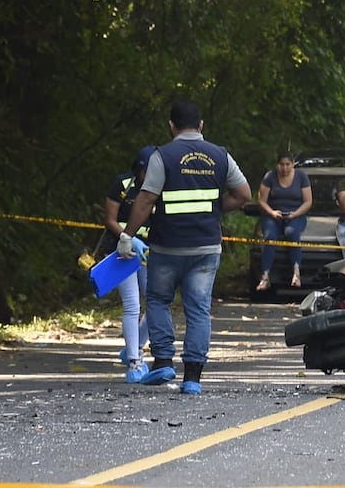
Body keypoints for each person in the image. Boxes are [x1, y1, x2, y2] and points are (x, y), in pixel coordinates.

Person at [117, 100, 252, 395]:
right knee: (199, 309)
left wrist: (127, 235)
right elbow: (243, 194)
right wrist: (216, 209)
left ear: (171, 126)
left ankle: (163, 361)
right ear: (201, 125)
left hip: (168, 246)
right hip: (206, 247)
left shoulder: (162, 156)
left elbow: (145, 200)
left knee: (157, 300)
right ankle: (192, 378)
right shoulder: (221, 156)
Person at [102, 145, 155, 382]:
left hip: (150, 253)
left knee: (155, 304)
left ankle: (135, 346)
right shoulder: (123, 184)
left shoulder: (162, 187)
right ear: (140, 168)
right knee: (132, 305)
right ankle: (135, 361)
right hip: (123, 251)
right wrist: (129, 239)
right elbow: (110, 219)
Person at [256, 152, 313, 290]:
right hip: (273, 215)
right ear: (277, 165)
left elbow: (308, 201)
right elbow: (262, 201)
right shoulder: (270, 176)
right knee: (269, 236)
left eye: (288, 164)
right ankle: (265, 276)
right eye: (282, 165)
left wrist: (296, 214)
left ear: (293, 164)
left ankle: (296, 274)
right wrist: (272, 212)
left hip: (296, 214)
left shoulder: (301, 177)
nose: (285, 168)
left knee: (292, 233)